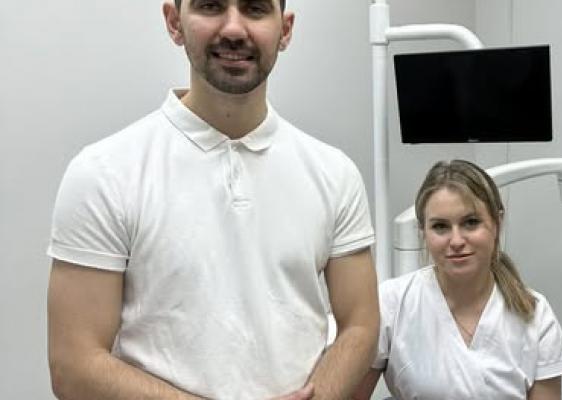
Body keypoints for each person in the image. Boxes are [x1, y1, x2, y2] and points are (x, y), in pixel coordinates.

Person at [46, 1, 378, 399]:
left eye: (255, 9)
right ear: (174, 22)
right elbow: (74, 364)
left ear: (285, 30)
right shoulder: (104, 173)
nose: (234, 29)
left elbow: (361, 325)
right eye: (211, 6)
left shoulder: (334, 173)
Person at [353, 160, 562, 400]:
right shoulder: (392, 303)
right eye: (440, 226)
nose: (457, 241)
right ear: (423, 232)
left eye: (471, 223)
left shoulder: (535, 315)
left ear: (497, 223)